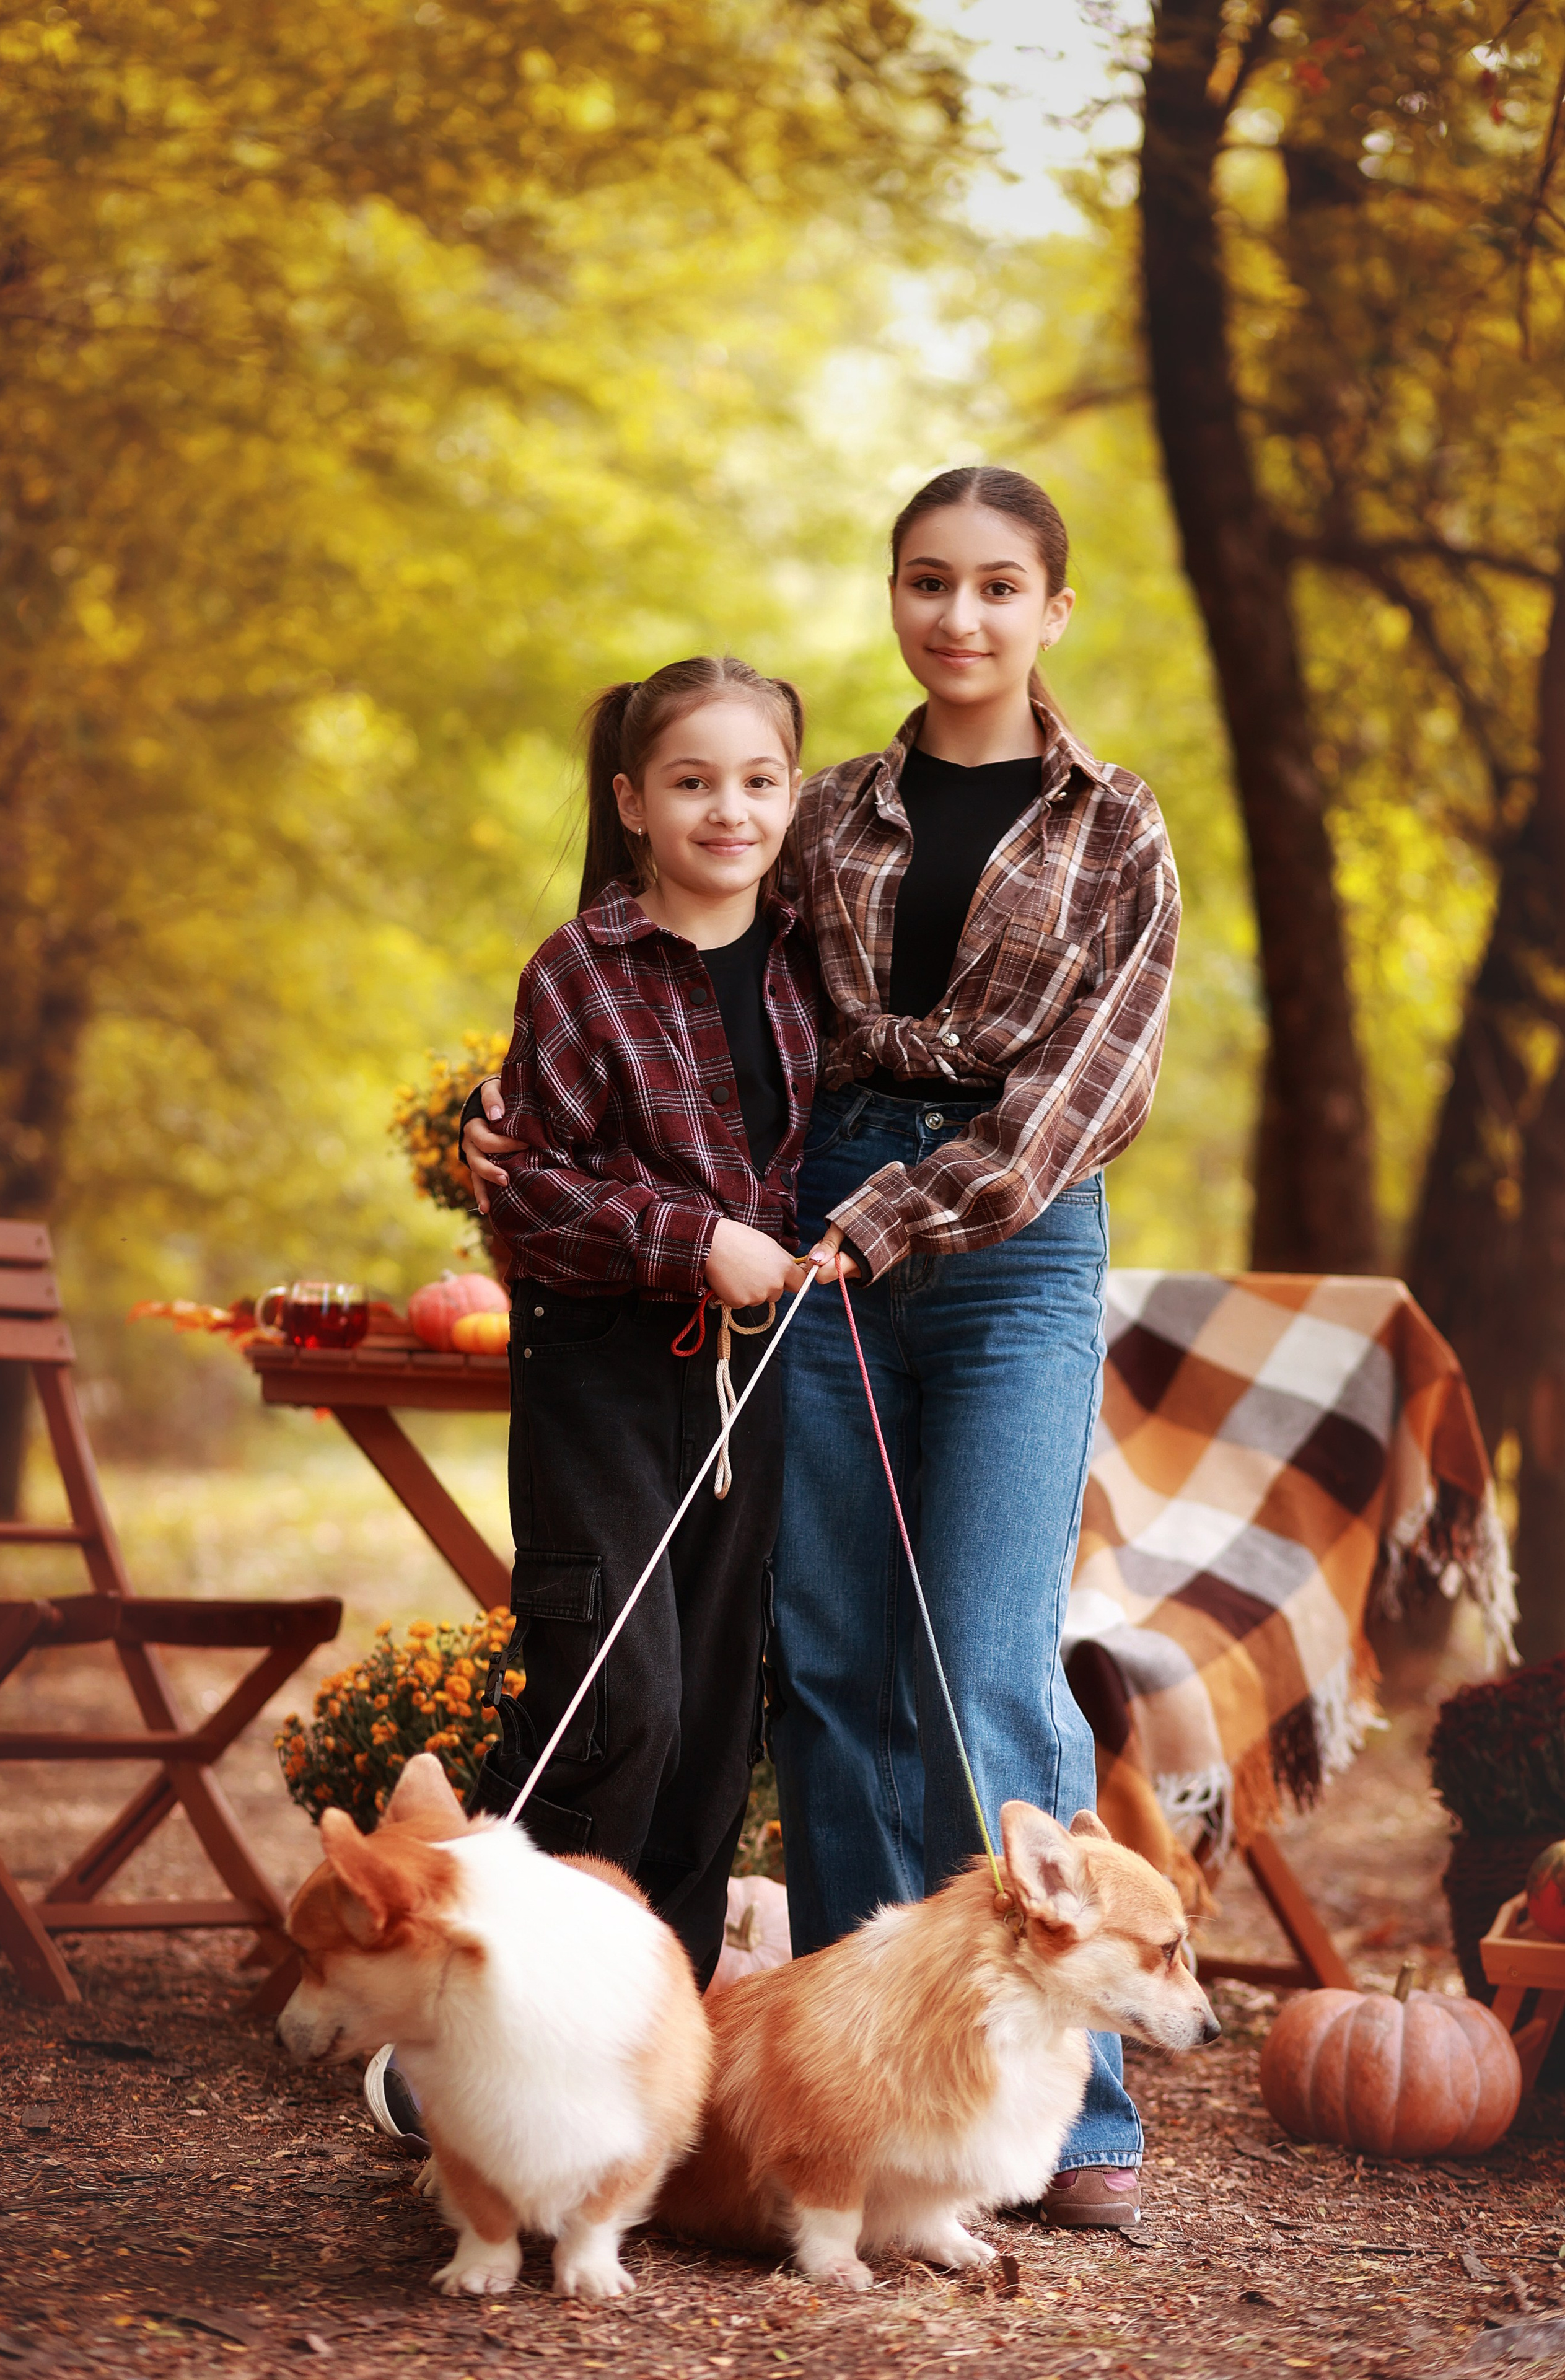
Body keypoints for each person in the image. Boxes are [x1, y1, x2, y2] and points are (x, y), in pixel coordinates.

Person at [465, 468, 1180, 2228]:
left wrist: (907, 1211)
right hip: (819, 1230)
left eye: (1000, 587)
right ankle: (867, 2105)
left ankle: (1072, 2114)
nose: (961, 619)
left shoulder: (1116, 826)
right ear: (893, 597)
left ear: (1053, 611)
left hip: (1006, 1236)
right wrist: (498, 1122)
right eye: (929, 583)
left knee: (991, 1653)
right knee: (840, 1657)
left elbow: (1094, 1085)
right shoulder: (830, 807)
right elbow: (678, 976)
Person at [461, 653, 815, 1995]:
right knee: (620, 1697)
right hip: (601, 1368)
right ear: (630, 800)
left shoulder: (806, 962)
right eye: (690, 782)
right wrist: (691, 1240)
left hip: (750, 1379)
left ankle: (642, 2016)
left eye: (757, 780)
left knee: (718, 1720)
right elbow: (528, 1197)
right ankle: (494, 1975)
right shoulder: (580, 969)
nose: (727, 810)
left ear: (791, 796)